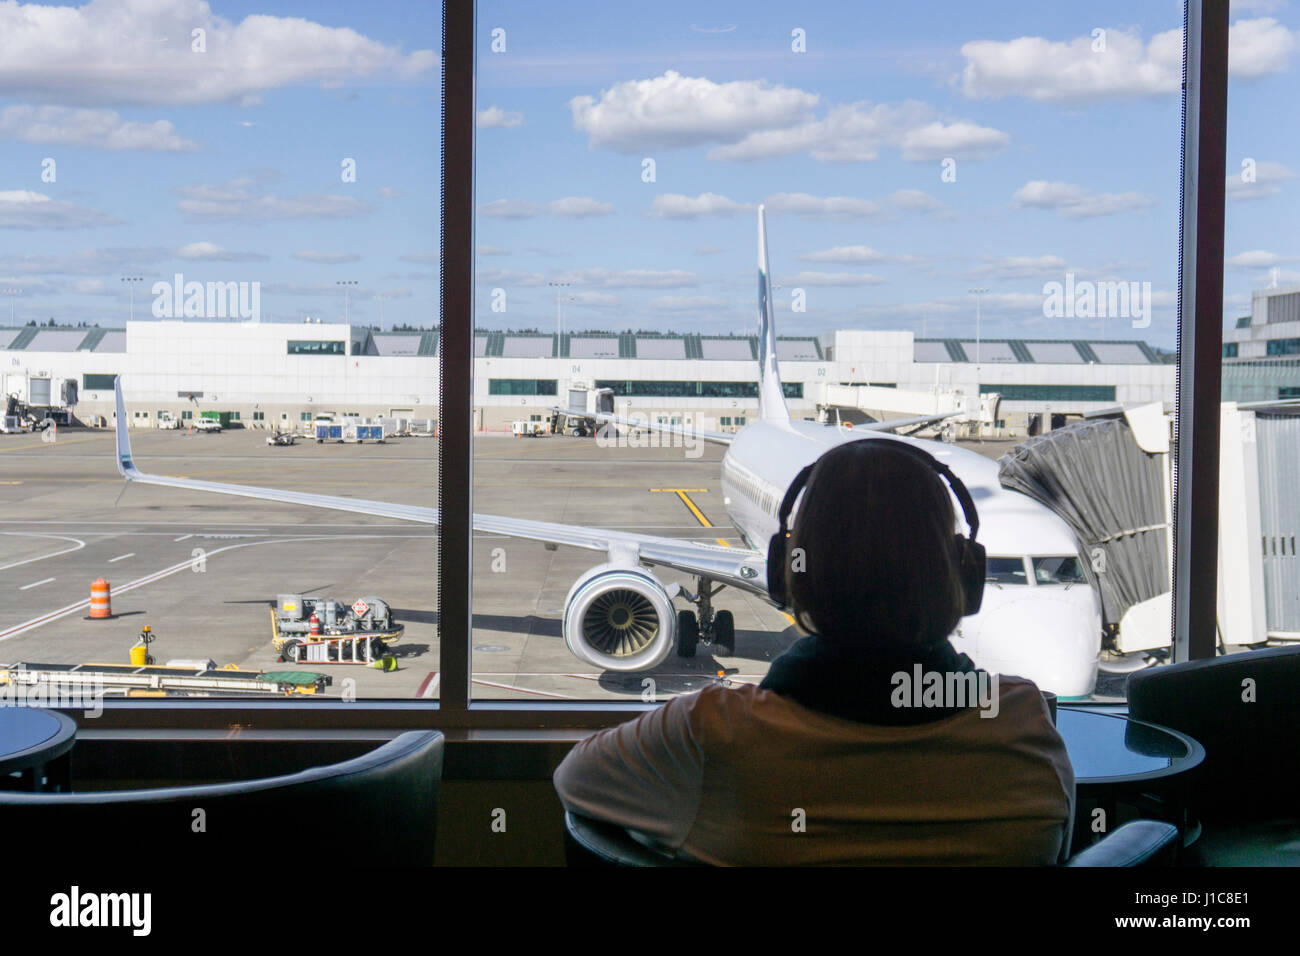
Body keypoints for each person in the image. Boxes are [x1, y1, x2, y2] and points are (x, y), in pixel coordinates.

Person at [553, 439, 1075, 865]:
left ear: (785, 573)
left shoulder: (715, 733)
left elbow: (573, 781)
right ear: (966, 576)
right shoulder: (1023, 724)